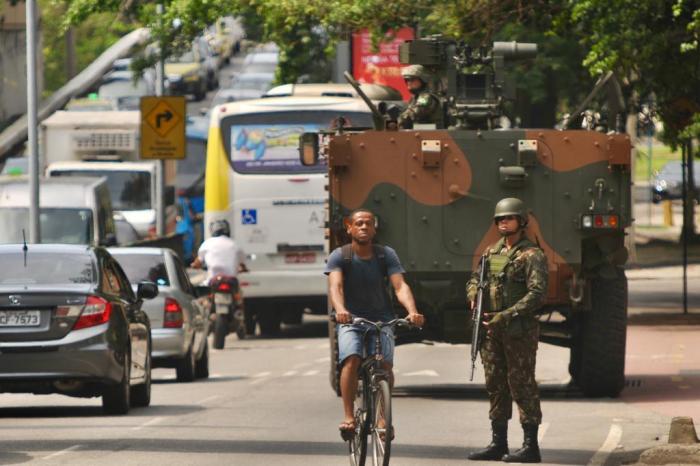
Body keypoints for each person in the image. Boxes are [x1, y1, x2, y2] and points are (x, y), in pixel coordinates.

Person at [325, 209, 425, 439]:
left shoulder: (385, 255)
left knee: (385, 367)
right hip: (351, 319)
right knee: (351, 359)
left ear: (374, 228)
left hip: (382, 318)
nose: (363, 227)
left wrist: (412, 311)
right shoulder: (340, 256)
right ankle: (349, 416)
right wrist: (341, 310)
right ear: (349, 227)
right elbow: (335, 287)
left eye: (368, 224)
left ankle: (382, 418)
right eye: (359, 223)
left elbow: (400, 286)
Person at [466, 198, 548, 463]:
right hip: (492, 329)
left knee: (522, 384)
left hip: (518, 330)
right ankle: (498, 443)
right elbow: (475, 280)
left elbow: (537, 294)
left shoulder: (532, 255)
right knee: (496, 386)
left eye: (509, 218)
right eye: (500, 219)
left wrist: (507, 314)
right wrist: (472, 295)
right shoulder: (491, 252)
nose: (504, 222)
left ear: (521, 222)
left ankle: (530, 446)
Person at [398, 64, 444, 129]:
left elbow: (414, 113)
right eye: (407, 80)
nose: (409, 82)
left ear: (423, 80)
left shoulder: (425, 97)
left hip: (431, 134)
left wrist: (398, 121)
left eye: (412, 79)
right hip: (422, 131)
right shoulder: (414, 98)